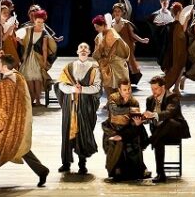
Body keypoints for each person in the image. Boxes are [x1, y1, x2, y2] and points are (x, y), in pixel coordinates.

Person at [0, 54, 50, 188]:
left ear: (4, 67)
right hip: (18, 121)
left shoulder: (3, 85)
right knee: (18, 148)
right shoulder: (19, 77)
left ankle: (41, 171)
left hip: (5, 122)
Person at [54, 42, 102, 175]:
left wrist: (83, 90)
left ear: (89, 52)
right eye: (81, 47)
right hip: (70, 104)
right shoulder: (69, 67)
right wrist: (72, 89)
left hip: (86, 105)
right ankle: (65, 163)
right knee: (67, 132)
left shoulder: (94, 68)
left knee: (83, 132)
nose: (83, 49)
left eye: (86, 48)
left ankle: (82, 164)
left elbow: (97, 87)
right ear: (77, 51)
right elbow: (61, 85)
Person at [144, 75, 191, 183]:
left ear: (163, 87)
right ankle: (161, 174)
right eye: (152, 89)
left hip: (175, 129)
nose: (153, 91)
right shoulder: (150, 100)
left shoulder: (172, 97)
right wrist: (144, 119)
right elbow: (150, 118)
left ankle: (149, 141)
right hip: (160, 133)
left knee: (168, 121)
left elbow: (169, 113)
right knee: (158, 140)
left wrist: (154, 114)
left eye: (155, 89)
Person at [101, 79, 150, 181]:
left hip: (127, 129)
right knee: (116, 143)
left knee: (134, 138)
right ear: (119, 90)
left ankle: (140, 168)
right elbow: (115, 110)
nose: (127, 91)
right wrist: (129, 110)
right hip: (113, 128)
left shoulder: (134, 102)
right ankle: (116, 168)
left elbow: (135, 119)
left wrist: (137, 122)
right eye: (124, 89)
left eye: (129, 89)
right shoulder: (113, 98)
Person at [16, 9, 56, 106]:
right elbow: (24, 42)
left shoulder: (44, 33)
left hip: (38, 58)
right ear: (34, 20)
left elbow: (45, 49)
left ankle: (38, 100)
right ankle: (32, 98)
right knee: (29, 78)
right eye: (38, 22)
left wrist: (45, 61)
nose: (40, 24)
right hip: (28, 57)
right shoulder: (28, 29)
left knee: (37, 79)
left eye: (42, 22)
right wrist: (19, 41)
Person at [92, 14, 130, 100]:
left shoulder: (111, 31)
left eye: (97, 27)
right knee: (106, 83)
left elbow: (115, 44)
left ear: (104, 25)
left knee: (119, 82)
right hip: (105, 62)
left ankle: (120, 100)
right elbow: (97, 50)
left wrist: (109, 58)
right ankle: (110, 100)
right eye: (95, 27)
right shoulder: (99, 36)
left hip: (116, 61)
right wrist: (100, 58)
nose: (96, 29)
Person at [111, 1, 149, 86]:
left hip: (125, 48)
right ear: (113, 12)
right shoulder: (111, 24)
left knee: (128, 66)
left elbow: (133, 35)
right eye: (115, 11)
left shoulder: (126, 23)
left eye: (119, 11)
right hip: (115, 49)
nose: (117, 13)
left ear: (122, 13)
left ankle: (127, 81)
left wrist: (142, 40)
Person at [0, 4, 20, 85]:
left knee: (13, 66)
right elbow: (2, 39)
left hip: (10, 48)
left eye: (7, 12)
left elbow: (11, 37)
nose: (6, 14)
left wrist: (14, 29)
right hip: (3, 50)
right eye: (4, 12)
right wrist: (10, 29)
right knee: (4, 67)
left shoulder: (5, 24)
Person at [162, 1, 188, 94]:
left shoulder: (175, 24)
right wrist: (186, 20)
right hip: (177, 51)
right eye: (181, 11)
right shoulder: (176, 24)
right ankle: (167, 86)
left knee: (180, 68)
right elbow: (181, 36)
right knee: (176, 68)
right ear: (178, 13)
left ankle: (176, 87)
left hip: (178, 50)